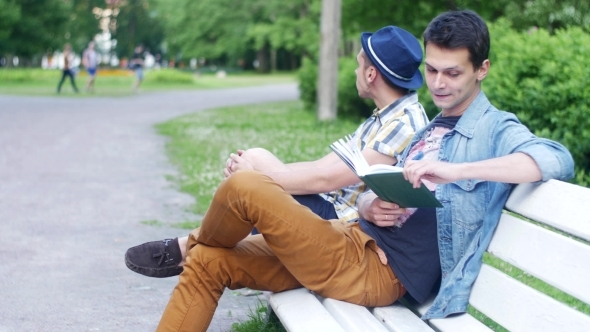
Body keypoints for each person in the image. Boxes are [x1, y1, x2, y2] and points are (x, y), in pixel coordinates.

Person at [129, 11, 574, 331]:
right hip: (351, 239)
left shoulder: (493, 128)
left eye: (452, 73)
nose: (438, 83)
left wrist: (455, 170)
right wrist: (369, 202)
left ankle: (187, 244)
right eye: (432, 70)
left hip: (378, 269)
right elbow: (377, 190)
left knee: (245, 185)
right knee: (210, 263)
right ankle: (196, 249)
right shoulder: (436, 123)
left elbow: (555, 158)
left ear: (482, 70)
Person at [126, 25, 429, 277]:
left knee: (252, 189)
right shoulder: (385, 116)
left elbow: (327, 181)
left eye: (359, 63)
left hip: (341, 224)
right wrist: (256, 171)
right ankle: (195, 248)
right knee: (254, 157)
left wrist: (259, 182)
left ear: (372, 74)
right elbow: (320, 166)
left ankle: (186, 249)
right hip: (329, 206)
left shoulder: (404, 122)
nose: (355, 69)